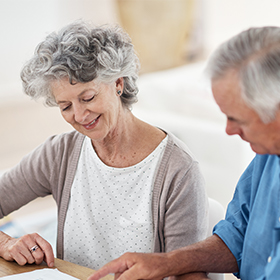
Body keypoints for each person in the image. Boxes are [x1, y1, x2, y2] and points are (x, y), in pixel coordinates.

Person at [0, 20, 208, 270]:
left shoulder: (177, 170)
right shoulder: (59, 153)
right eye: (65, 106)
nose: (78, 115)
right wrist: (6, 244)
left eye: (88, 98)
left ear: (118, 84)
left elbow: (186, 272)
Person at [88, 26, 280, 280]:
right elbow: (237, 239)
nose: (229, 130)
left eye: (238, 119)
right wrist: (166, 263)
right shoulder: (267, 156)